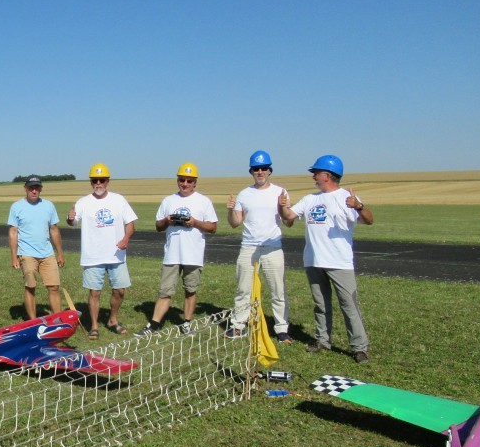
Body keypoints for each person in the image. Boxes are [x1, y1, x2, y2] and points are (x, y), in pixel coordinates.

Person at [279, 154, 374, 363]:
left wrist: (358, 206)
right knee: (320, 304)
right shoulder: (310, 199)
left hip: (339, 262)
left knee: (348, 304)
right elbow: (288, 217)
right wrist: (282, 206)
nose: (313, 177)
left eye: (316, 173)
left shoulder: (346, 198)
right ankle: (323, 340)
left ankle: (359, 347)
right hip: (313, 261)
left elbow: (369, 220)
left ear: (328, 175)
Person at [136, 162, 218, 337]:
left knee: (190, 289)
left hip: (193, 255)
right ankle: (154, 324)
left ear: (195, 182)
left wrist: (195, 222)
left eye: (189, 180)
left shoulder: (204, 201)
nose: (185, 184)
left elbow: (213, 227)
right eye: (182, 180)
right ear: (178, 180)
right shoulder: (169, 200)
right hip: (172, 254)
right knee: (165, 291)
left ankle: (187, 322)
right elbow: (158, 226)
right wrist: (167, 221)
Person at [224, 150, 291, 343]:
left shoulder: (280, 192)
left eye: (263, 168)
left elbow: (289, 222)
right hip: (248, 247)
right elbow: (235, 222)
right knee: (243, 288)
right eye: (256, 169)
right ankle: (238, 326)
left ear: (270, 171)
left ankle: (281, 329)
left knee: (278, 290)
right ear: (251, 171)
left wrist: (284, 207)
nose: (260, 172)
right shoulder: (244, 194)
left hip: (273, 247)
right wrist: (230, 210)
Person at [66, 163, 137, 338]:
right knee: (94, 292)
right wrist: (70, 218)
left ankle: (112, 319)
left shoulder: (119, 200)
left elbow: (130, 224)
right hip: (93, 255)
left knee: (119, 290)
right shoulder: (83, 202)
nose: (98, 183)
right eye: (95, 180)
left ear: (108, 181)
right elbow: (73, 222)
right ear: (91, 182)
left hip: (116, 255)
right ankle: (95, 326)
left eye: (102, 180)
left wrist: (126, 239)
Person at [8, 175, 64, 319]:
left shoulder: (49, 206)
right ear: (25, 188)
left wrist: (60, 253)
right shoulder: (16, 207)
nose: (34, 191)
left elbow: (54, 230)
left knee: (54, 287)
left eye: (37, 188)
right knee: (30, 286)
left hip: (47, 253)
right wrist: (14, 256)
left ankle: (57, 319)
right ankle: (33, 321)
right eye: (31, 188)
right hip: (26, 253)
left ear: (41, 189)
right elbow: (13, 232)